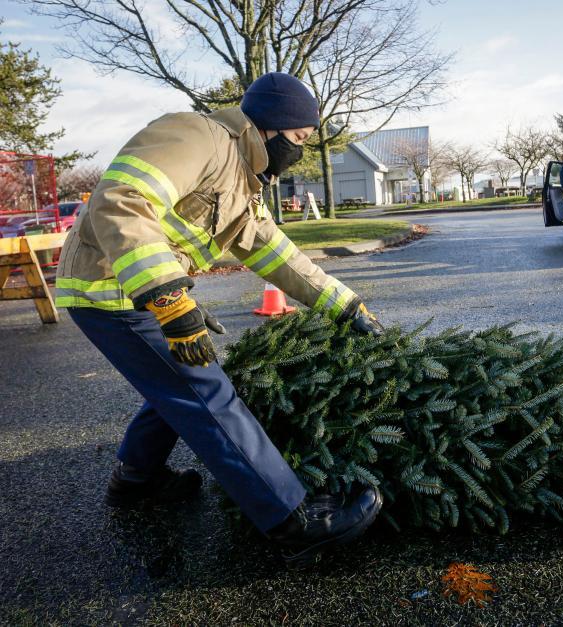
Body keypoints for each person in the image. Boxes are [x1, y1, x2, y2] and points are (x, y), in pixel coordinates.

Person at [55, 72, 383, 565]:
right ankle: (292, 519)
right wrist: (170, 300)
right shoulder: (197, 135)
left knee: (174, 385)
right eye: (297, 140)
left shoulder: (243, 181)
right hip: (114, 292)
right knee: (205, 392)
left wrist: (345, 303)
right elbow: (122, 202)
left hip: (130, 293)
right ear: (270, 127)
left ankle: (136, 479)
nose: (298, 152)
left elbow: (276, 253)